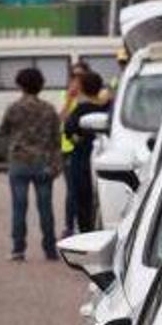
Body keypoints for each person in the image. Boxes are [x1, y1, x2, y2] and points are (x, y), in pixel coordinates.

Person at [0, 68, 62, 262]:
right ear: (41, 85)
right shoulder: (49, 109)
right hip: (43, 163)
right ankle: (50, 250)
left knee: (19, 207)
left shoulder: (13, 108)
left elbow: (4, 130)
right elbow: (56, 138)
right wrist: (56, 162)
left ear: (20, 85)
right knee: (45, 207)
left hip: (19, 163)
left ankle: (18, 249)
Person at [64, 72, 110, 233]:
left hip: (82, 159)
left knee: (83, 201)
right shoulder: (108, 107)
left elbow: (68, 129)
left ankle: (86, 234)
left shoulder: (81, 109)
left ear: (82, 88)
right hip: (106, 157)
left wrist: (77, 139)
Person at [59, 62, 90, 238]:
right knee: (72, 190)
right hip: (68, 148)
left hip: (86, 147)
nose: (77, 80)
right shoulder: (65, 95)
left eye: (81, 77)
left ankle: (85, 225)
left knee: (85, 189)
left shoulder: (93, 95)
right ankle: (69, 226)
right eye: (74, 76)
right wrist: (69, 100)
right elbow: (61, 118)